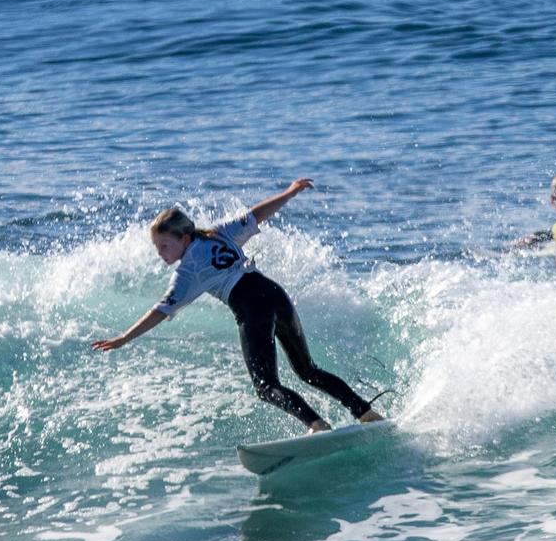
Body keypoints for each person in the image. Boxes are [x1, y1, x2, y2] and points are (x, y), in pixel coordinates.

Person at [91, 178, 384, 434]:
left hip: (252, 308)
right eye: (156, 248)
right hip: (275, 295)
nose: (160, 254)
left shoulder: (187, 271)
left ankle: (316, 425)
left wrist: (123, 338)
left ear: (183, 238)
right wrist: (290, 192)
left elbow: (160, 310)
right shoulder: (219, 233)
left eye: (164, 246)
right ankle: (365, 413)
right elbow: (257, 214)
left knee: (266, 386)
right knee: (308, 370)